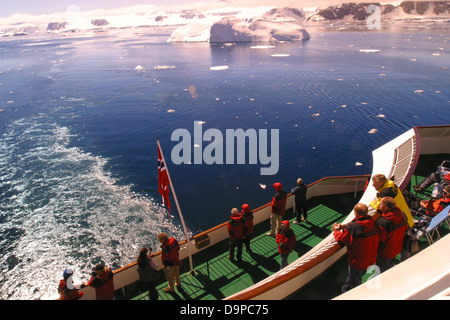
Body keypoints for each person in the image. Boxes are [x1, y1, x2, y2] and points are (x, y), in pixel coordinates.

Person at [332, 203, 379, 293]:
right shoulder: (372, 221)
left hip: (357, 260)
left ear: (356, 213)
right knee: (357, 276)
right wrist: (345, 227)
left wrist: (336, 230)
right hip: (370, 257)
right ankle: (348, 289)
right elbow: (359, 225)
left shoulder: (353, 227)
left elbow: (342, 241)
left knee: (354, 283)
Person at [375, 197, 408, 273]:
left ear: (385, 208)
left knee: (384, 271)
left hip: (385, 253)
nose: (379, 205)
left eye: (380, 204)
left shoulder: (383, 222)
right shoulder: (402, 214)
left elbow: (380, 240)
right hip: (397, 247)